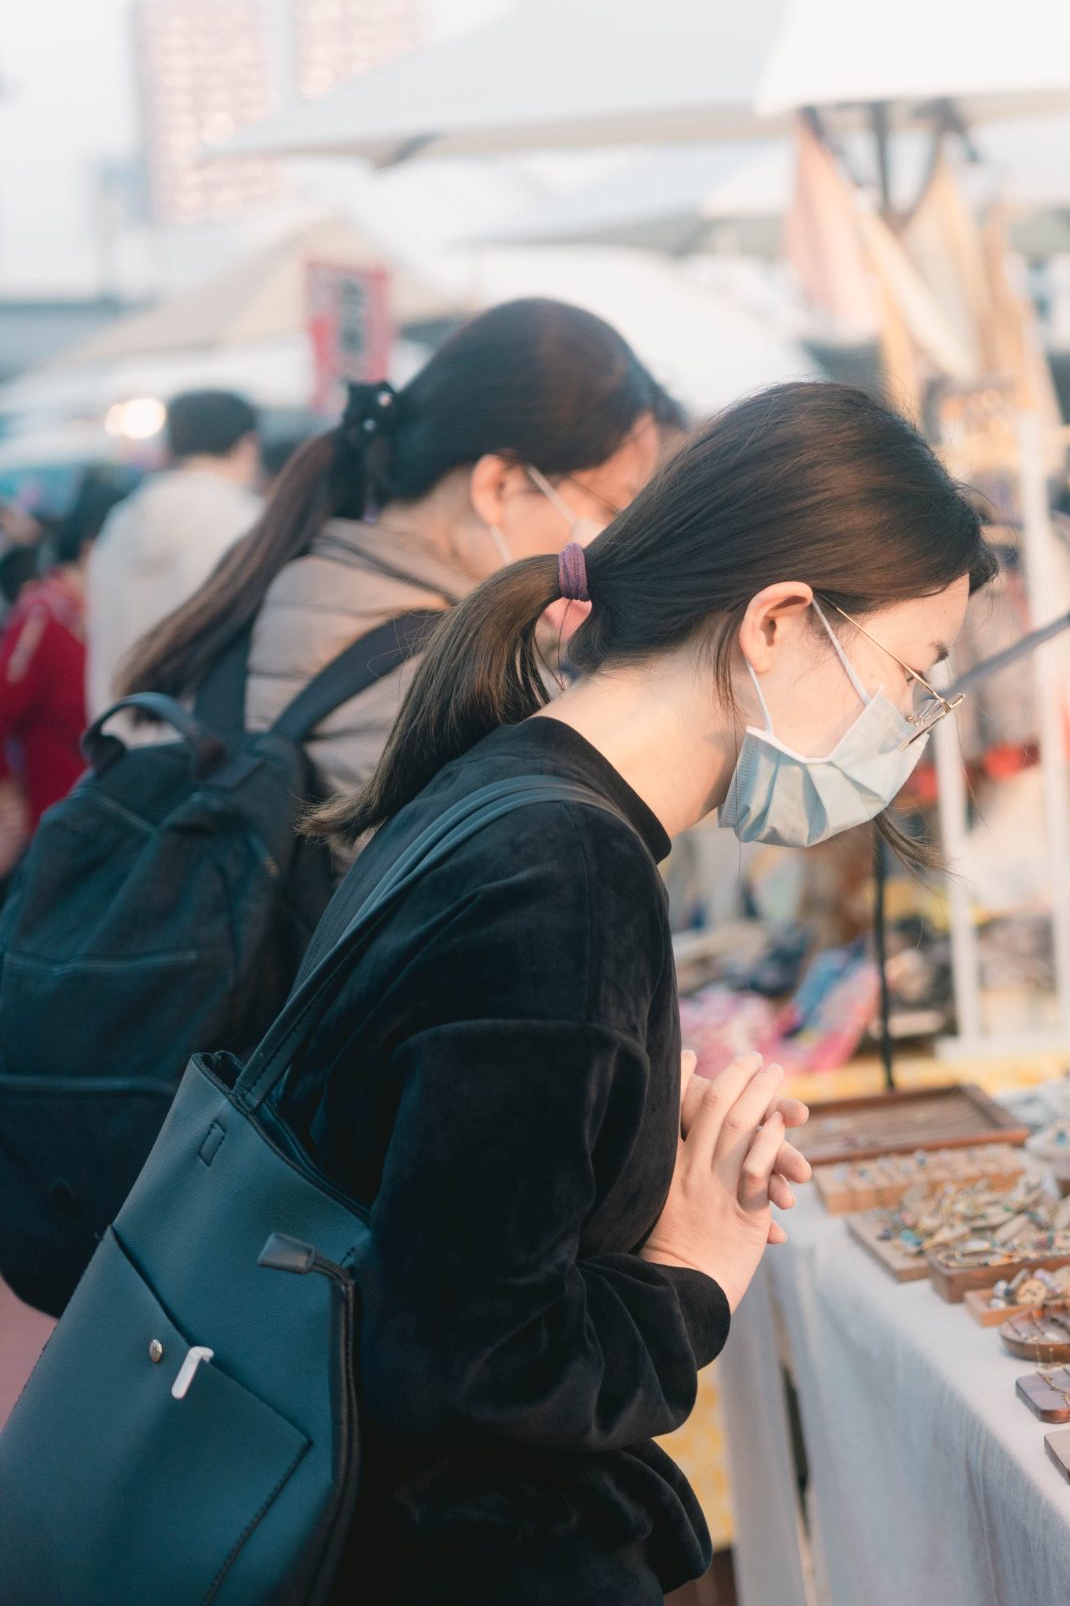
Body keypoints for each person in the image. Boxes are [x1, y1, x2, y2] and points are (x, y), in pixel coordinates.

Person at [275, 380, 997, 1602]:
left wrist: (623, 1172)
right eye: (917, 673)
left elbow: (454, 1207)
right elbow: (470, 1365)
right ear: (776, 622)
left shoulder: (510, 790)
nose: (914, 722)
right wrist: (688, 1274)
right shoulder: (565, 874)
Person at [118, 298, 668, 801]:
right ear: (498, 486)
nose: (612, 540)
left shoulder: (277, 578)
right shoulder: (468, 685)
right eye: (615, 508)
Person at [84, 388, 266, 718]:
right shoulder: (250, 521)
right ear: (248, 443)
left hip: (117, 736)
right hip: (210, 744)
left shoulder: (123, 519)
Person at [0, 470, 127, 837]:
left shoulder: (96, 611)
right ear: (92, 549)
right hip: (53, 815)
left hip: (97, 810)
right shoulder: (44, 615)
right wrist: (8, 795)